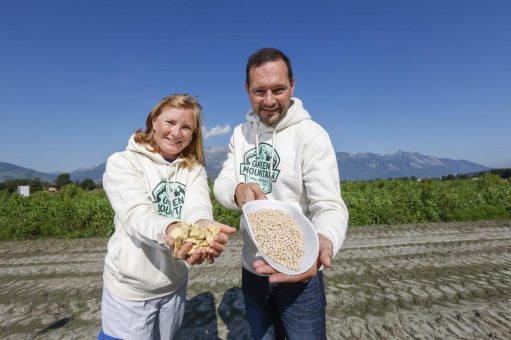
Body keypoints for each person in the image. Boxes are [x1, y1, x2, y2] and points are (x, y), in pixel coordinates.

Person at [213, 48, 349, 339]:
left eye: (279, 89)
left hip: (300, 273)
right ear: (247, 90)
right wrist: (237, 190)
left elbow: (329, 206)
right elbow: (222, 182)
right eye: (259, 91)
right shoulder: (241, 134)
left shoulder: (311, 135)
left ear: (293, 85)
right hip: (252, 269)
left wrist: (324, 241)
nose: (270, 100)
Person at [98, 93, 236, 339]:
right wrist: (171, 230)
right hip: (130, 290)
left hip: (174, 284)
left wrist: (204, 226)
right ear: (154, 121)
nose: (176, 132)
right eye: (170, 122)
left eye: (186, 127)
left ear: (194, 135)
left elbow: (197, 209)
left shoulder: (194, 169)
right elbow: (137, 215)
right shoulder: (123, 162)